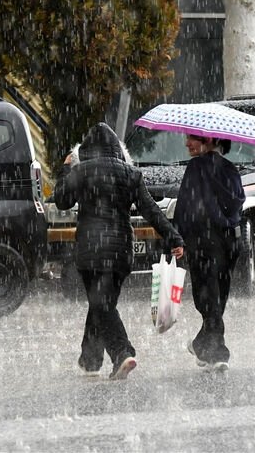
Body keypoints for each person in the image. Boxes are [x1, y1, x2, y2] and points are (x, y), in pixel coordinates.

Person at [53, 122, 184, 380]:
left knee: (101, 304)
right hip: (121, 252)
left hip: (90, 250)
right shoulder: (130, 173)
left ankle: (122, 352)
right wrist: (172, 237)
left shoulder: (81, 171)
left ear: (88, 149)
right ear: (117, 149)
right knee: (102, 304)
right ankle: (90, 360)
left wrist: (66, 169)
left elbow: (62, 200)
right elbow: (150, 209)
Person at [173, 135, 246, 374]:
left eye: (192, 139)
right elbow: (238, 204)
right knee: (217, 298)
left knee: (207, 299)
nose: (187, 144)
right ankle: (201, 345)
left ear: (209, 140)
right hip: (229, 243)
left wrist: (176, 237)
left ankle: (219, 353)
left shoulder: (196, 167)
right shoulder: (231, 169)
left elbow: (185, 206)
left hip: (203, 242)